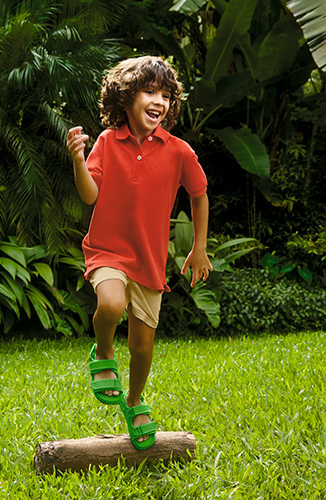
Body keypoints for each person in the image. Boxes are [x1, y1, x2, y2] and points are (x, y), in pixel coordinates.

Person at [66, 55, 212, 450]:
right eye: (149, 92)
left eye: (165, 95)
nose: (158, 101)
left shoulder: (179, 151)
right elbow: (89, 195)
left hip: (149, 261)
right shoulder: (107, 142)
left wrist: (198, 248)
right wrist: (78, 159)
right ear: (125, 98)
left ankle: (134, 401)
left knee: (143, 346)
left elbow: (199, 195)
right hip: (108, 251)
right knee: (110, 305)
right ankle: (104, 349)